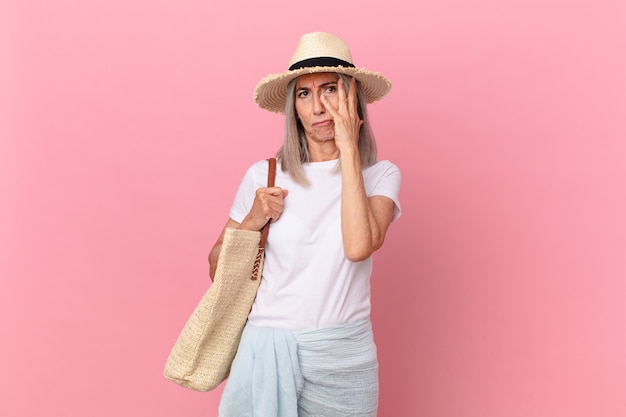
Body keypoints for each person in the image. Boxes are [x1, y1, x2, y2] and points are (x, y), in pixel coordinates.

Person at [208, 32, 402, 417]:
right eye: (304, 94)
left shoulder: (380, 175)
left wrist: (348, 147)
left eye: (330, 90)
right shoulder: (263, 176)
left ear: (353, 99)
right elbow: (217, 269)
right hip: (267, 350)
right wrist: (251, 222)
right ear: (293, 109)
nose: (318, 107)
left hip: (344, 356)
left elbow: (359, 246)